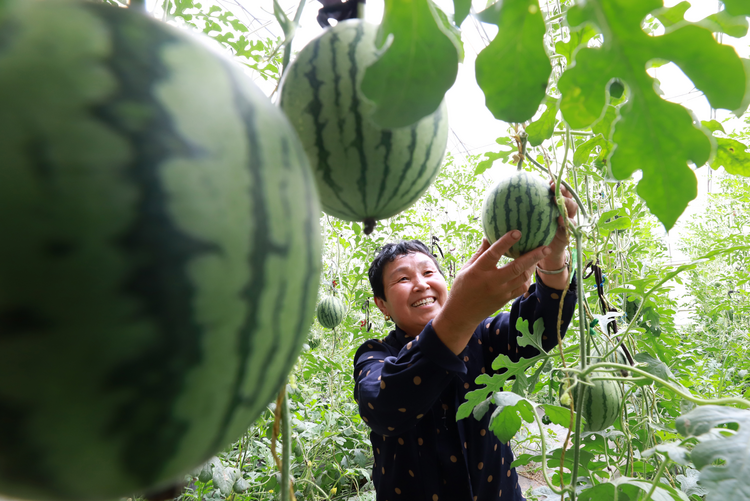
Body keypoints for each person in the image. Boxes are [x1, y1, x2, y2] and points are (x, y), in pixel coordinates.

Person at [353, 185, 579, 500]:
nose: (420, 284)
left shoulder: (483, 336)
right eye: (403, 279)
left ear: (447, 283)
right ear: (382, 305)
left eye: (428, 272)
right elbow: (384, 408)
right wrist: (457, 316)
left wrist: (553, 257)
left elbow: (540, 328)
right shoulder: (375, 355)